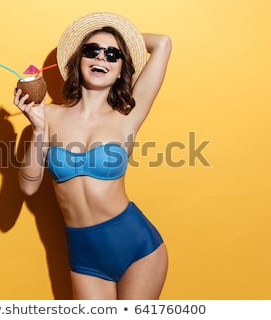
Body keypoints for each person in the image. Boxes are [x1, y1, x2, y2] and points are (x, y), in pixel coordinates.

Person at [14, 12, 172, 299]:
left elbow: (162, 43)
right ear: (78, 59)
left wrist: (124, 38)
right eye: (91, 51)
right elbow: (28, 186)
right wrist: (37, 130)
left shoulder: (128, 115)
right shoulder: (48, 115)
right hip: (85, 258)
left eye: (113, 55)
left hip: (139, 249)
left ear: (123, 67)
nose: (102, 58)